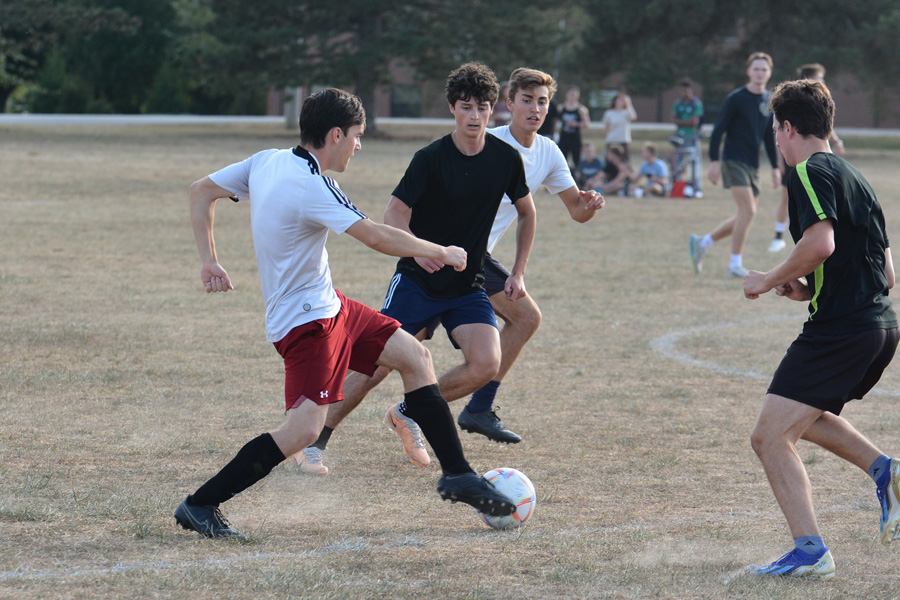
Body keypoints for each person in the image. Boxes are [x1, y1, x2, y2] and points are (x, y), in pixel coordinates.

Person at [173, 87, 515, 538]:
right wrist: (441, 251)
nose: (359, 145)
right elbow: (375, 235)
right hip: (307, 323)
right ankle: (201, 504)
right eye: (357, 136)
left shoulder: (267, 161)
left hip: (330, 306)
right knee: (301, 431)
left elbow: (201, 190)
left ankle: (457, 474)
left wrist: (209, 260)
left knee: (415, 357)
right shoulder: (312, 186)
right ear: (336, 135)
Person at [291, 62, 536, 473]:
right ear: (452, 108)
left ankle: (409, 410)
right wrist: (421, 251)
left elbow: (527, 213)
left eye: (482, 108)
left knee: (486, 363)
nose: (474, 116)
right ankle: (314, 441)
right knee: (375, 366)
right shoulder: (431, 158)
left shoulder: (505, 159)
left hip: (467, 285)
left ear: (493, 110)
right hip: (417, 282)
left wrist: (518, 271)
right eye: (466, 107)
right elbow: (394, 212)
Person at [742, 79, 900, 579]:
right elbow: (886, 274)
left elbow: (821, 245)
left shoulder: (808, 171)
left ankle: (810, 552)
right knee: (800, 414)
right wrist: (806, 288)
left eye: (775, 130)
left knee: (769, 437)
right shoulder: (856, 176)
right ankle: (887, 472)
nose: (776, 140)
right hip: (879, 325)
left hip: (842, 328)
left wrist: (768, 279)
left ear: (788, 128)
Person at [689, 52, 780, 278]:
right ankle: (734, 265)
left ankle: (702, 243)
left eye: (764, 69)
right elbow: (718, 130)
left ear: (769, 73)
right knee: (748, 211)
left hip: (753, 164)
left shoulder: (768, 101)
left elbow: (769, 138)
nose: (760, 73)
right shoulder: (736, 98)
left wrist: (775, 168)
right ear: (748, 71)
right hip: (733, 159)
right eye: (756, 69)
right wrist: (714, 161)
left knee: (745, 215)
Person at [769, 63, 846, 253]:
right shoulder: (792, 103)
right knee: (788, 196)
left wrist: (836, 141)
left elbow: (824, 125)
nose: (823, 82)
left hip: (813, 157)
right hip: (795, 154)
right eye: (820, 78)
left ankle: (810, 235)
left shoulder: (817, 103)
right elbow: (780, 133)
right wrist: (778, 163)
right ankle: (778, 236)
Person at [671, 78, 704, 198]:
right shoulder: (678, 103)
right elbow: (674, 119)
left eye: (686, 91)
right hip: (679, 136)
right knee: (678, 163)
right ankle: (677, 186)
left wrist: (681, 122)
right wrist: (684, 122)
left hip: (692, 136)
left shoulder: (695, 103)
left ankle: (697, 187)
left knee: (694, 162)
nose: (684, 93)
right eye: (682, 91)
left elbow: (694, 121)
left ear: (690, 90)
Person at [557, 86, 591, 169]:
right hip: (564, 137)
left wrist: (576, 124)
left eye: (575, 95)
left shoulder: (581, 109)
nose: (573, 97)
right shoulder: (561, 108)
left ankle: (577, 174)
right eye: (571, 94)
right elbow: (556, 121)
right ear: (567, 95)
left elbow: (586, 124)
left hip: (575, 137)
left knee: (577, 160)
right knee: (562, 159)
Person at [602, 90, 638, 162]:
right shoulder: (609, 113)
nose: (619, 102)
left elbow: (633, 117)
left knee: (624, 161)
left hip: (623, 140)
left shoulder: (626, 112)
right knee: (610, 161)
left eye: (621, 101)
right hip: (612, 140)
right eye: (617, 100)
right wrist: (608, 138)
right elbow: (607, 128)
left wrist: (628, 104)